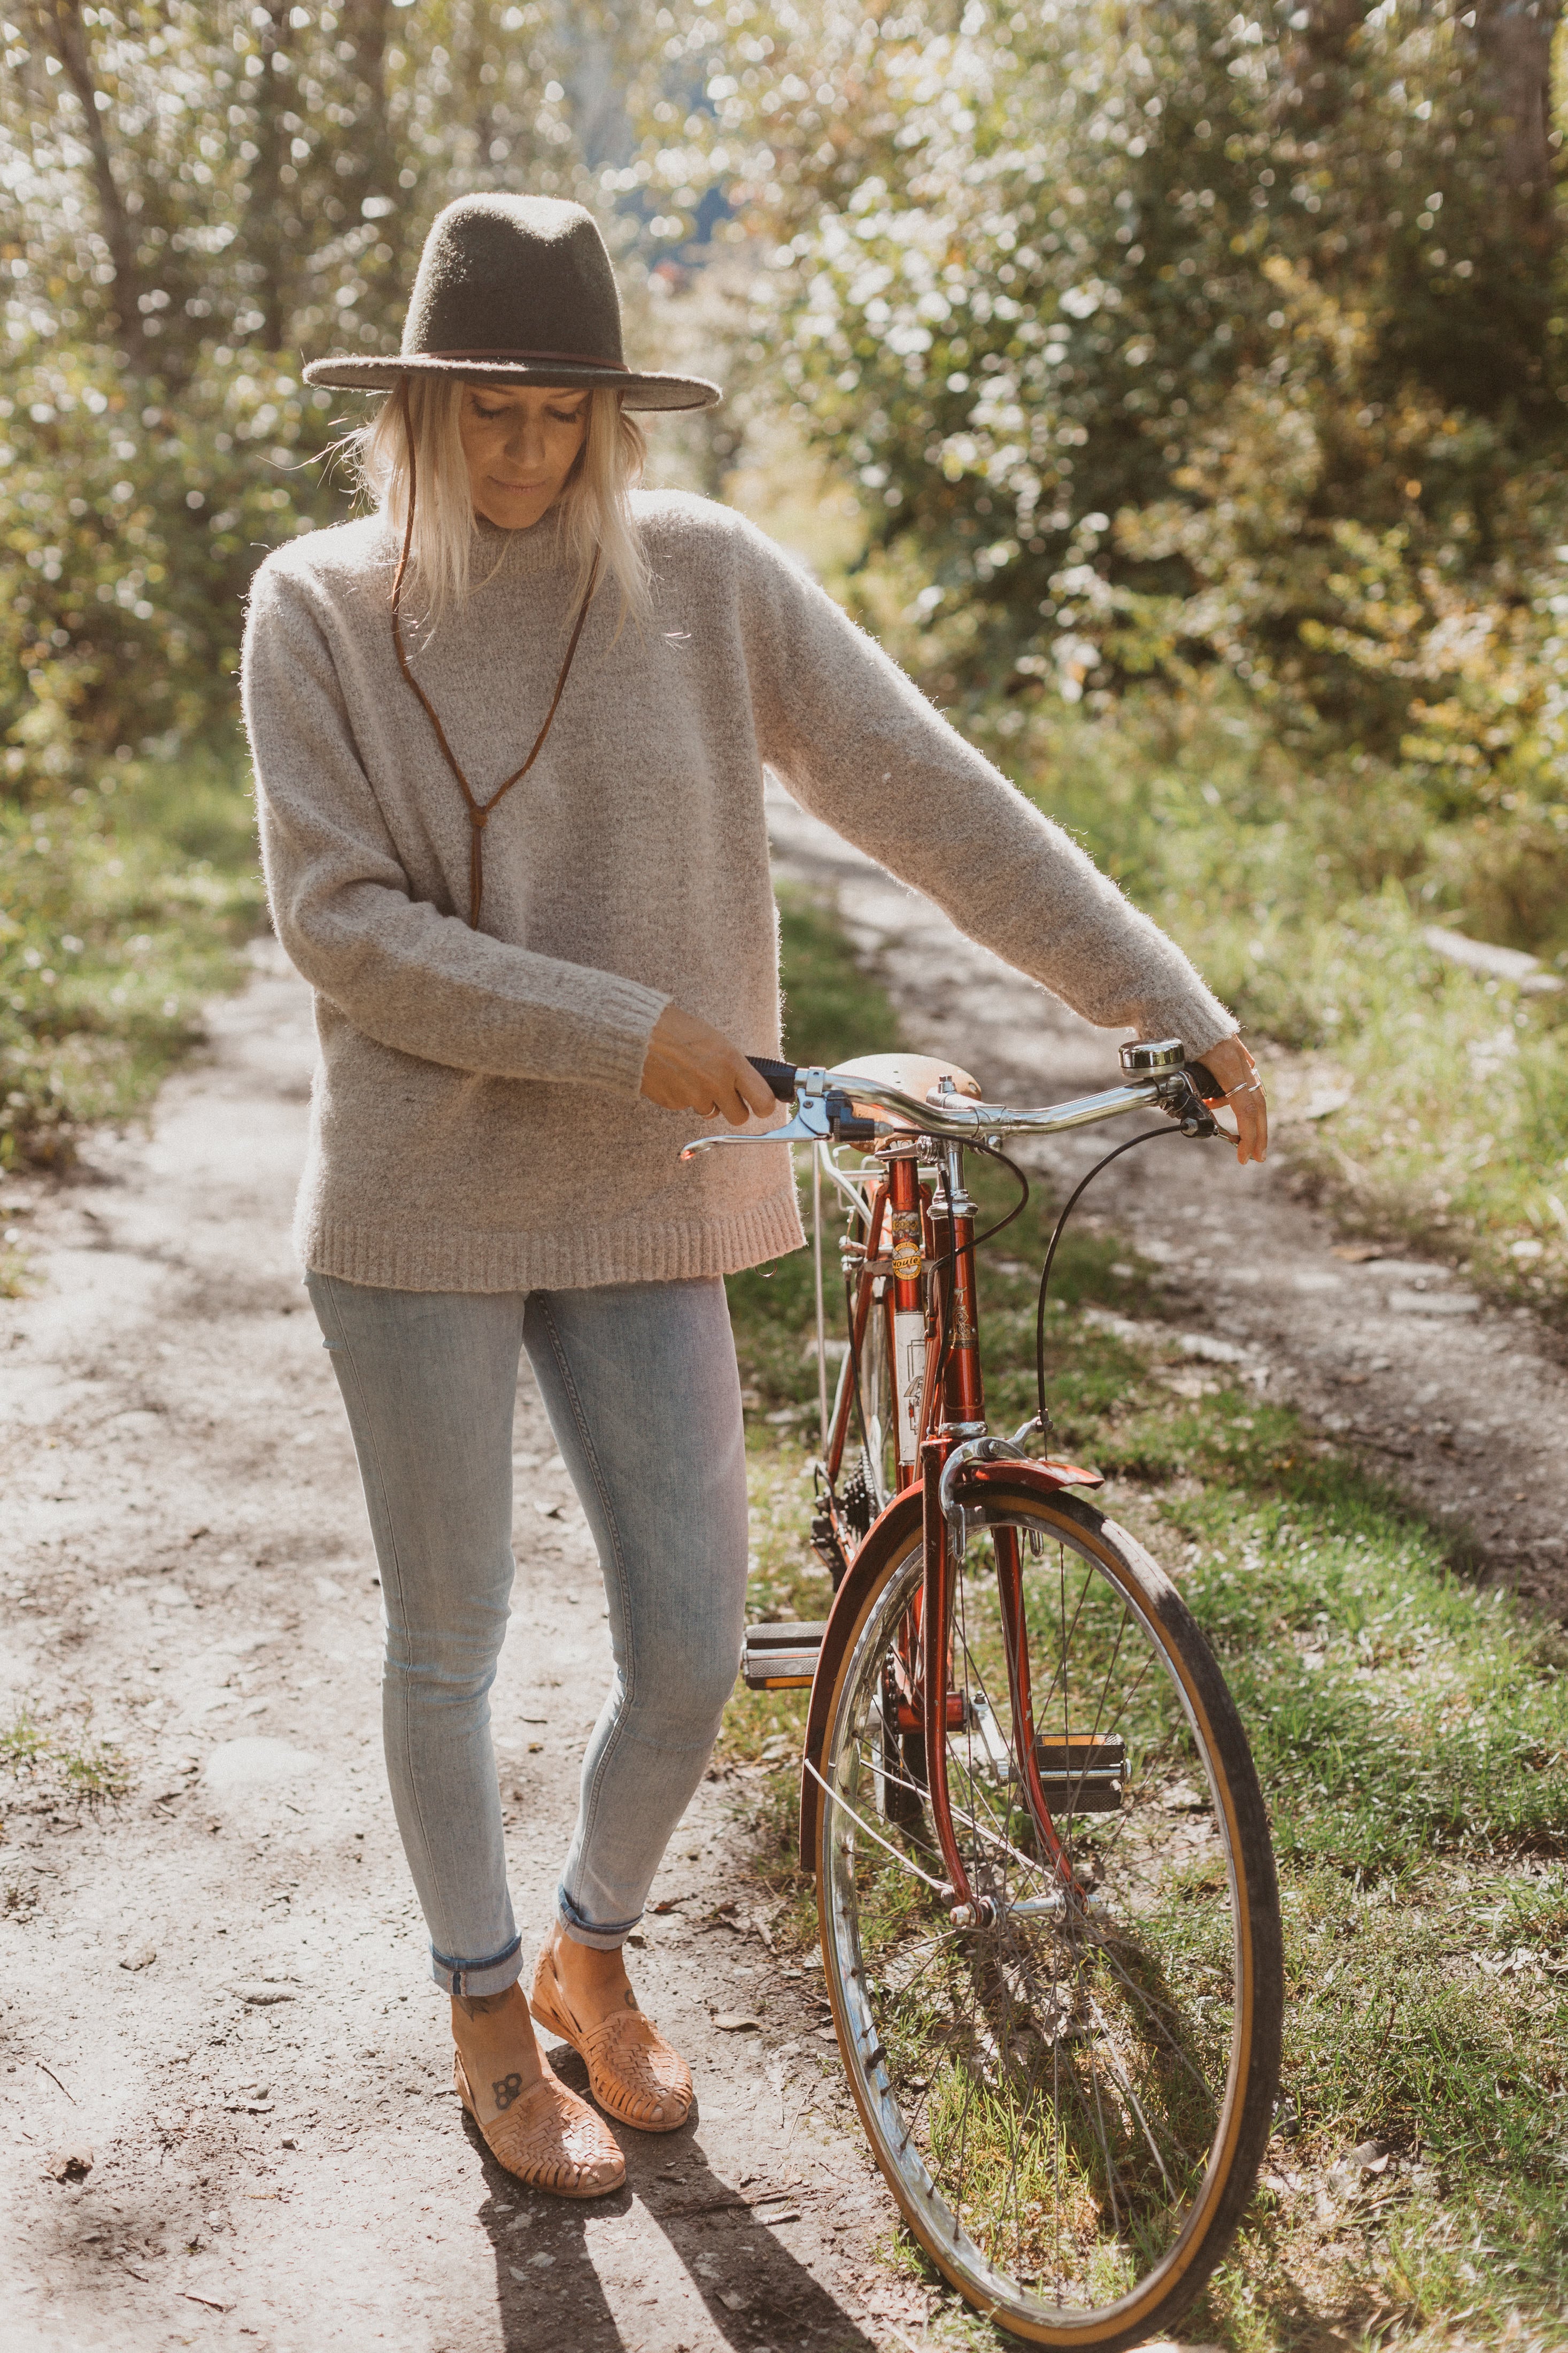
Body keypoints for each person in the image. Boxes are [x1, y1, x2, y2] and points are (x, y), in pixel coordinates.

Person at [241, 193, 1266, 2202]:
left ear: (615, 419)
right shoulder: (316, 603)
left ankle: (585, 1946)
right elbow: (341, 930)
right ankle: (479, 2015)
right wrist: (631, 1025)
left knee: (698, 1644)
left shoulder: (703, 579)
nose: (525, 455)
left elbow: (928, 789)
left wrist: (1171, 1001)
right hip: (420, 1200)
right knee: (447, 1636)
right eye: (489, 417)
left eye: (563, 416)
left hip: (662, 1186)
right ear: (416, 416)